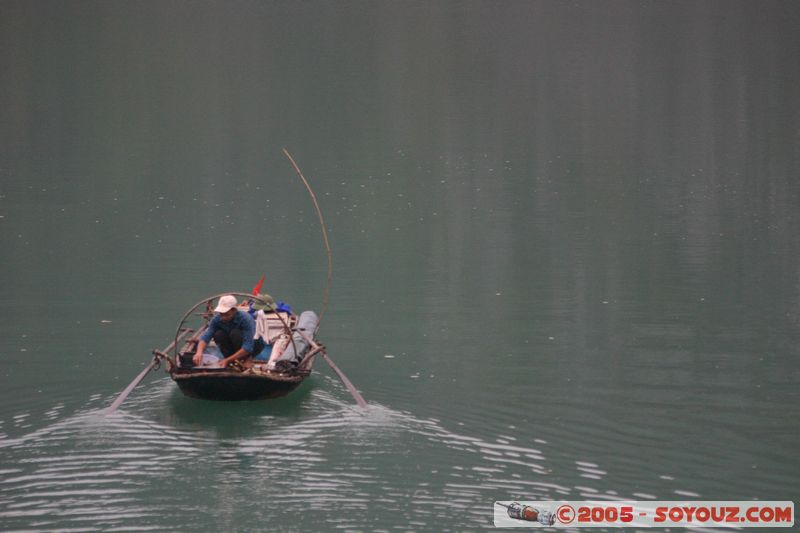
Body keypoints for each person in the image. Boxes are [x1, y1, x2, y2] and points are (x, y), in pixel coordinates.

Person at [193, 295, 264, 368]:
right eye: (221, 314)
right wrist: (199, 352)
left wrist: (227, 361)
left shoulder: (246, 319)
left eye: (226, 314)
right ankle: (231, 359)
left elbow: (248, 347)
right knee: (218, 334)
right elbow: (206, 337)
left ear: (234, 310)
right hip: (233, 345)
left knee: (235, 333)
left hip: (254, 346)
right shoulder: (217, 319)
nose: (223, 317)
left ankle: (246, 358)